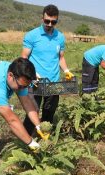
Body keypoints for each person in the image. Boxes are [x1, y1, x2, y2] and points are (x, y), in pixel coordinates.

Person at [21, 4, 74, 135]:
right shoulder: (32, 35)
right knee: (33, 110)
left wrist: (66, 70)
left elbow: (61, 58)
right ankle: (26, 138)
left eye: (53, 22)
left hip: (54, 81)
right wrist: (32, 74)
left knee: (50, 111)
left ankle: (46, 136)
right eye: (47, 21)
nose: (50, 24)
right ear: (42, 18)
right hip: (36, 81)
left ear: (57, 20)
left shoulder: (60, 37)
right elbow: (24, 57)